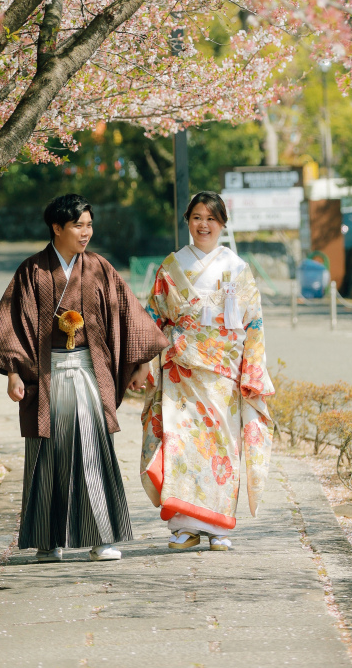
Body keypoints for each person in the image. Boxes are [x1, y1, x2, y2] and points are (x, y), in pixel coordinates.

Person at [0, 193, 168, 562]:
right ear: (57, 227)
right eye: (78, 225)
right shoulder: (32, 271)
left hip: (88, 371)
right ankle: (49, 542)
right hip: (45, 376)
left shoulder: (97, 267)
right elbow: (12, 325)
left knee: (94, 449)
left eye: (89, 225)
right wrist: (13, 373)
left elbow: (129, 314)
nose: (86, 232)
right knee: (48, 453)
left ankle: (102, 538)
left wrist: (143, 361)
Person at [140, 190, 274, 551]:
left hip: (223, 372)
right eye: (197, 217)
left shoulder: (237, 268)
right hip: (182, 371)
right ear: (188, 221)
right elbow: (153, 316)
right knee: (182, 442)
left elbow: (254, 323)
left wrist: (253, 371)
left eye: (211, 219)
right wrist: (144, 363)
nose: (204, 225)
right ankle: (183, 527)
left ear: (223, 224)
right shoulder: (172, 266)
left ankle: (219, 527)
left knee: (222, 446)